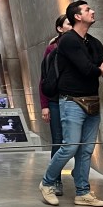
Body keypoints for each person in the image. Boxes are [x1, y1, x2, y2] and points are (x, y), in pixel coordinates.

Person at [39, 0, 103, 207]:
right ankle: (47, 182)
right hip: (71, 101)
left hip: (92, 102)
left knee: (86, 150)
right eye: (88, 9)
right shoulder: (68, 40)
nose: (93, 11)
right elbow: (87, 69)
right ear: (77, 16)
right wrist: (100, 70)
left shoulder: (95, 43)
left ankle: (82, 192)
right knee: (70, 147)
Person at [39, 14, 72, 196]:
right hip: (55, 101)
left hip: (75, 100)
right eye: (68, 23)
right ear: (60, 28)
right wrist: (44, 105)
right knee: (58, 140)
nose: (72, 26)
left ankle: (80, 180)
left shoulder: (81, 45)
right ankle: (55, 179)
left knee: (77, 142)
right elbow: (44, 79)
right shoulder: (52, 49)